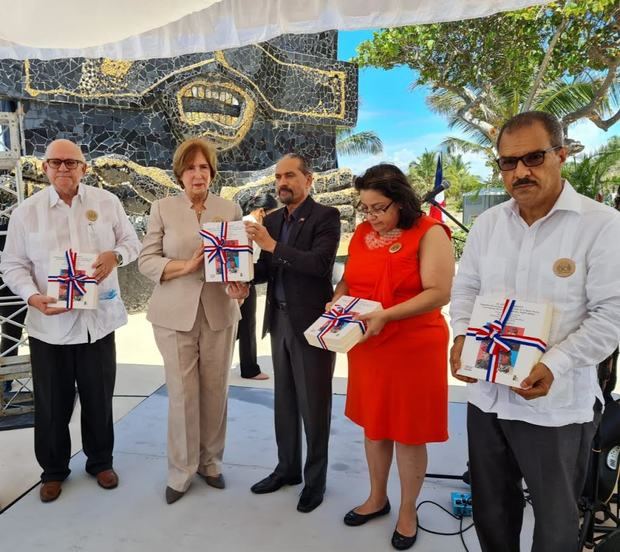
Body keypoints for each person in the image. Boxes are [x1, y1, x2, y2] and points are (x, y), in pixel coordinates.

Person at [449, 111, 620, 552]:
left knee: (556, 519)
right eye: (509, 162)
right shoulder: (488, 225)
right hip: (487, 397)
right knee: (491, 509)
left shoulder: (601, 225)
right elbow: (465, 287)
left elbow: (611, 315)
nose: (521, 171)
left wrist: (554, 364)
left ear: (561, 154)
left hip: (554, 406)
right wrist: (462, 337)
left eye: (534, 157)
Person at [0, 138, 141, 503]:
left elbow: (132, 243)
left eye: (71, 162)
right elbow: (12, 264)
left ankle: (100, 461)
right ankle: (53, 470)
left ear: (84, 167)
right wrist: (32, 296)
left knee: (99, 399)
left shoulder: (106, 203)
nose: (63, 168)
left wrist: (116, 256)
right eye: (55, 162)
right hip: (50, 327)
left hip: (98, 323)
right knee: (51, 403)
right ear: (45, 168)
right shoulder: (26, 212)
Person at [330, 164, 453, 550]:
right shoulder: (365, 233)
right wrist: (337, 299)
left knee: (409, 432)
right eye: (365, 209)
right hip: (369, 343)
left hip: (413, 345)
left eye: (379, 208)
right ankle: (377, 497)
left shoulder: (430, 232)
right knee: (375, 424)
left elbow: (438, 292)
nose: (371, 217)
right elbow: (350, 279)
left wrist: (387, 314)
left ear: (401, 200)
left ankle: (408, 510)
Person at [138, 138, 243, 505]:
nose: (197, 174)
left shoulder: (229, 208)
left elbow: (238, 258)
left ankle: (210, 463)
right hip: (173, 315)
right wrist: (185, 266)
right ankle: (180, 471)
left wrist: (240, 282)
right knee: (182, 394)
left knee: (216, 390)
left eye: (204, 168)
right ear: (179, 173)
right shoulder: (162, 208)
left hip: (219, 311)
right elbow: (146, 260)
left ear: (212, 173)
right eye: (190, 168)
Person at [243, 153, 340, 513]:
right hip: (279, 321)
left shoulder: (326, 217)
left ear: (308, 179)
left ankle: (315, 482)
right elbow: (266, 269)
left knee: (314, 406)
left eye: (290, 176)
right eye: (278, 177)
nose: (282, 183)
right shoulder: (271, 219)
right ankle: (287, 469)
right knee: (284, 402)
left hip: (312, 326)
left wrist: (270, 245)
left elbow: (319, 266)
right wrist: (239, 278)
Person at [237, 192, 278, 380]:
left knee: (240, 324)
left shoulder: (245, 222)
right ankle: (249, 368)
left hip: (243, 276)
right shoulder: (251, 225)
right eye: (273, 213)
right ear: (262, 211)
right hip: (243, 277)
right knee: (246, 324)